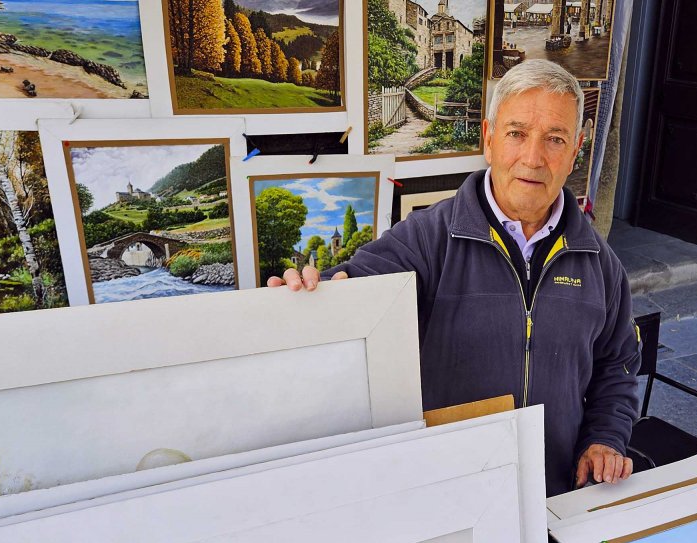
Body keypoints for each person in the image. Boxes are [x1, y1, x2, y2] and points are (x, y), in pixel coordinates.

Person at [270, 60, 639, 497]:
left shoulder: (599, 262)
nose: (533, 157)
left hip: (554, 494)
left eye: (554, 139)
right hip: (449, 492)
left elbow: (617, 367)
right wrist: (317, 291)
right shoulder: (428, 238)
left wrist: (605, 438)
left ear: (576, 150)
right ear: (488, 139)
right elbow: (361, 282)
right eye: (516, 133)